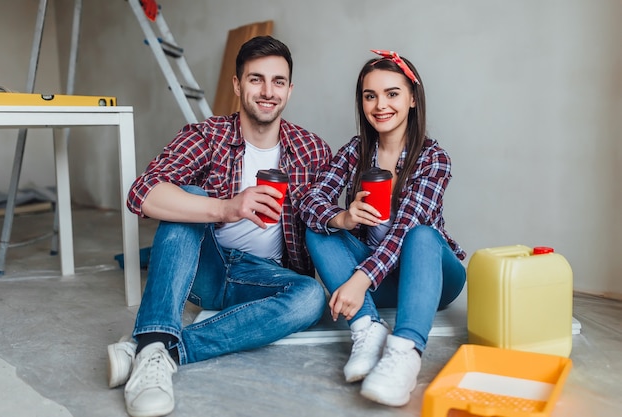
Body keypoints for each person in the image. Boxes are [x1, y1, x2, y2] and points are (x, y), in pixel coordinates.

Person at [107, 35, 332, 417]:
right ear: (237, 84)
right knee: (187, 195)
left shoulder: (312, 150)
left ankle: (157, 350)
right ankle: (155, 340)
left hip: (261, 278)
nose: (267, 91)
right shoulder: (206, 136)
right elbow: (142, 193)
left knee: (311, 296)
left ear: (289, 90)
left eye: (278, 82)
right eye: (256, 79)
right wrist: (226, 208)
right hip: (205, 268)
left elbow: (327, 219)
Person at [299, 49, 466, 407]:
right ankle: (366, 329)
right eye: (370, 96)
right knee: (320, 227)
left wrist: (359, 281)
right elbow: (310, 202)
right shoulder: (355, 152)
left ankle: (404, 352)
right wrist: (341, 218)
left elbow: (406, 228)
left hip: (432, 275)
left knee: (421, 234)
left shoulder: (433, 158)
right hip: (380, 280)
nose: (380, 105)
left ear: (412, 99)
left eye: (392, 93)